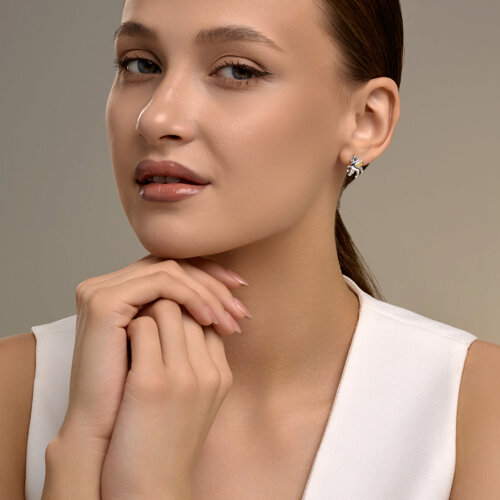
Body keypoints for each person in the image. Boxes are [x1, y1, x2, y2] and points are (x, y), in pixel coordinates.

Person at [1, 0, 499, 498]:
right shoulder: (12, 392)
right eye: (140, 64)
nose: (156, 118)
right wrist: (80, 447)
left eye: (238, 71)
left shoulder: (478, 412)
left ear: (365, 121)